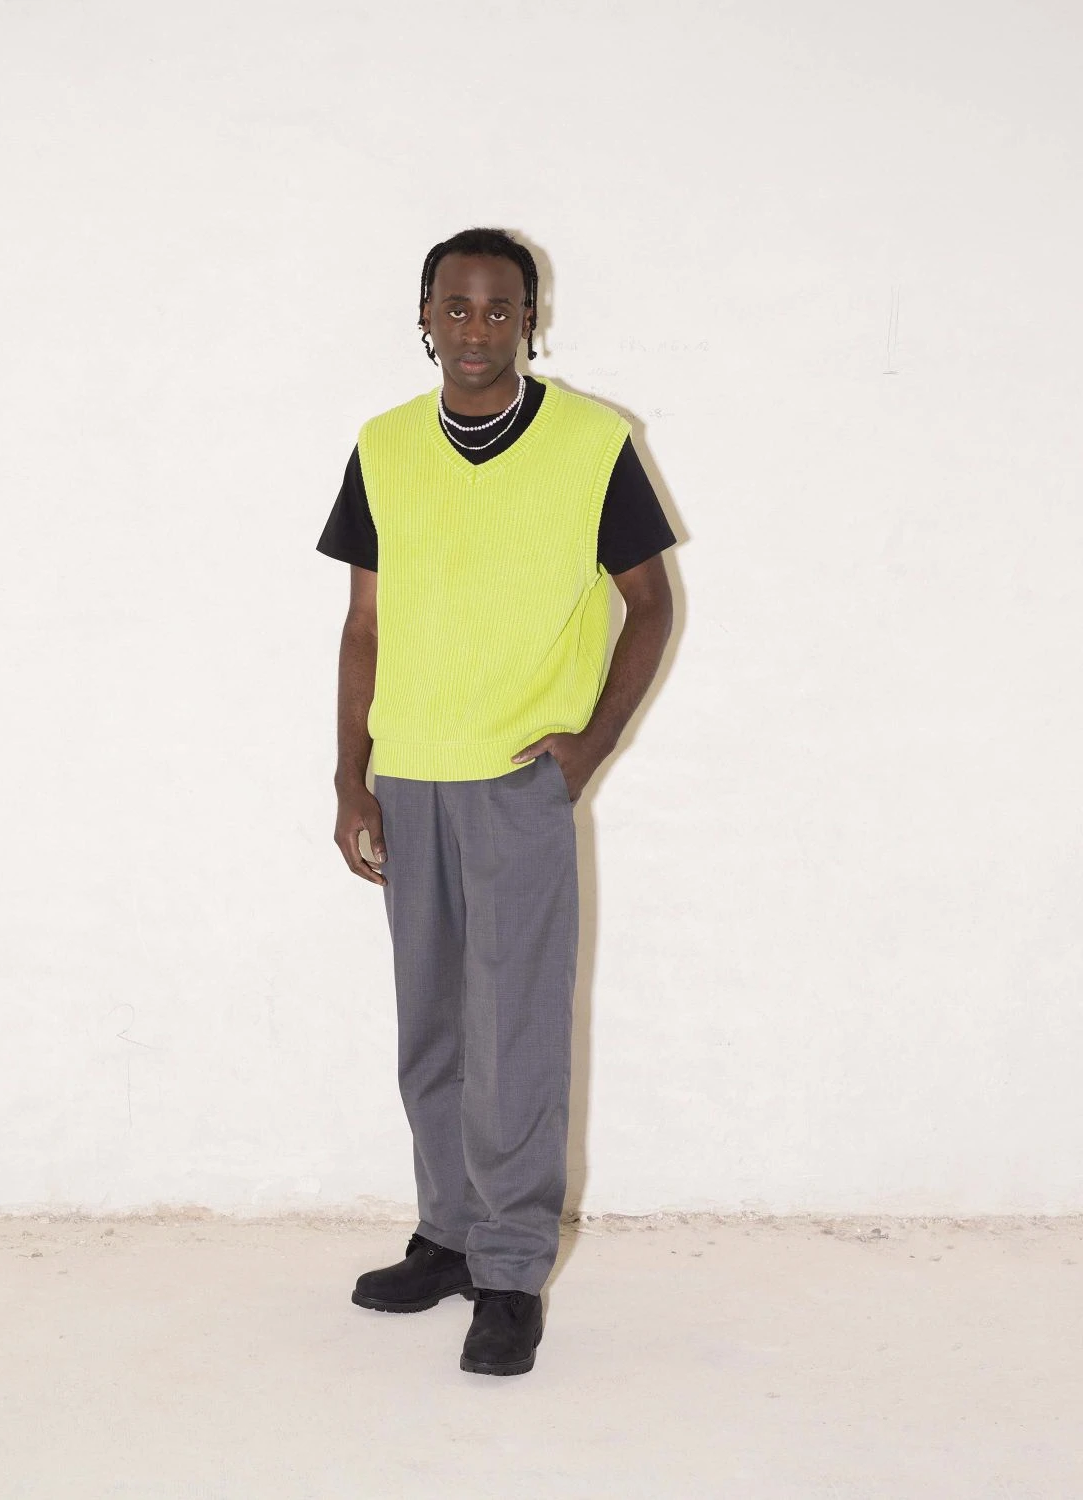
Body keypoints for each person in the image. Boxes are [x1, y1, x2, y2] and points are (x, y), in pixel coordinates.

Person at [316, 227, 676, 1377]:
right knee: (432, 1025)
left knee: (513, 1031)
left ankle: (511, 1273)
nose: (478, 328)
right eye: (457, 307)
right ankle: (450, 1234)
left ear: (531, 320)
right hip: (410, 774)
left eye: (501, 308)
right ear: (426, 317)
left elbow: (651, 604)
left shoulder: (591, 443)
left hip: (520, 781)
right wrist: (350, 774)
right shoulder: (383, 447)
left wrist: (589, 747)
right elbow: (365, 623)